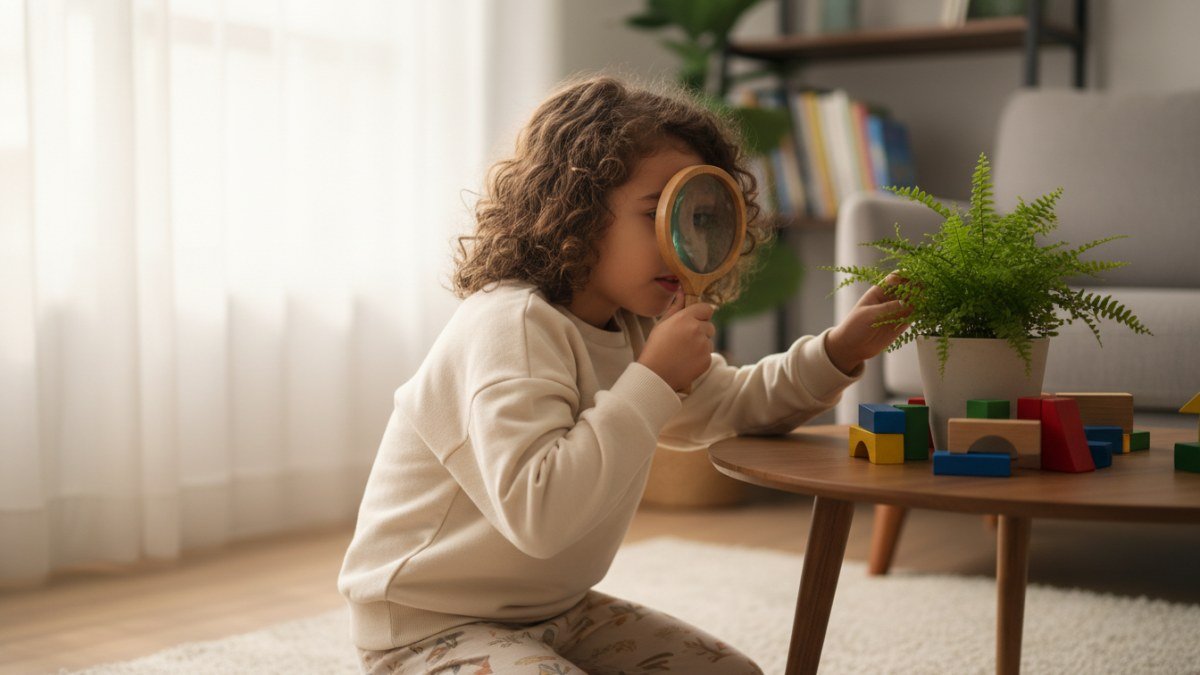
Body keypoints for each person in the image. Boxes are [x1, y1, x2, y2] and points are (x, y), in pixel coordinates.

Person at [339, 74, 910, 675]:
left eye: (699, 218)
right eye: (656, 214)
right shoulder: (511, 326)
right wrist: (654, 379)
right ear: (577, 210)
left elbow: (734, 403)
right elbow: (540, 516)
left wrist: (839, 350)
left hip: (556, 610)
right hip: (428, 623)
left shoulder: (633, 327)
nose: (682, 241)